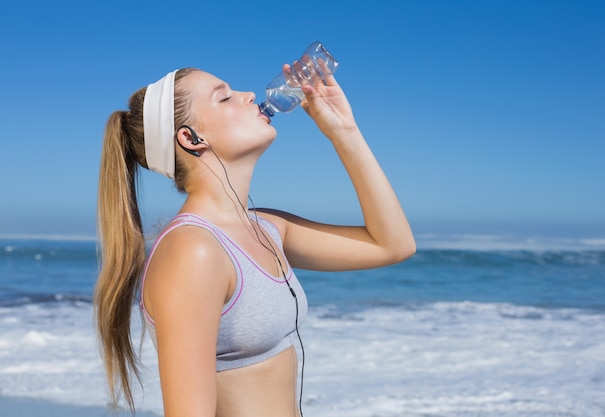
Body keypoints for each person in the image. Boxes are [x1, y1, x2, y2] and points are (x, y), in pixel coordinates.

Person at [94, 63, 416, 417]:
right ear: (191, 138)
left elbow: (393, 245)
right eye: (226, 97)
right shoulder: (193, 250)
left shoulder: (268, 229)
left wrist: (345, 131)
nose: (249, 95)